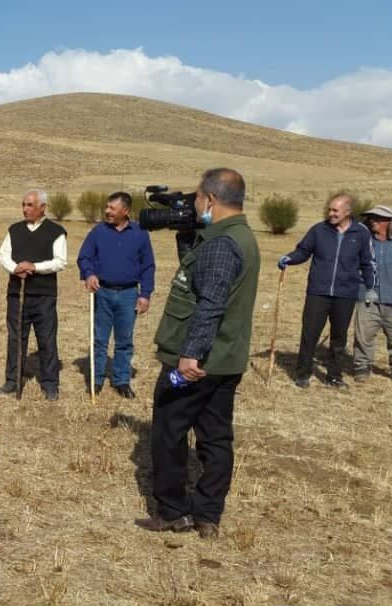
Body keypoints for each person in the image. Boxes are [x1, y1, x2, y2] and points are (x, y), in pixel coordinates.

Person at [136, 168, 259, 540]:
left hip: (194, 365)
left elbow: (210, 303)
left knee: (168, 428)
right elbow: (200, 277)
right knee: (215, 436)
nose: (193, 205)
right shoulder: (239, 237)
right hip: (225, 362)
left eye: (197, 198)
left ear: (212, 199)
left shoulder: (223, 244)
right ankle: (208, 515)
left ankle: (172, 512)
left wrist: (190, 355)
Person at [278, 193, 377, 388]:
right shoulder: (319, 230)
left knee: (339, 338)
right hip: (318, 291)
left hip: (345, 294)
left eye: (335, 210)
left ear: (347, 212)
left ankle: (334, 377)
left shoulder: (361, 233)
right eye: (329, 210)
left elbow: (368, 263)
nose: (330, 213)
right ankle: (302, 374)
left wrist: (370, 288)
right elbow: (303, 251)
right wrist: (289, 258)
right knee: (310, 334)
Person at [77, 191, 156, 398]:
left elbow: (148, 266)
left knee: (124, 341)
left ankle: (121, 381)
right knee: (99, 340)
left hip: (129, 294)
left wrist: (145, 294)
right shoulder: (98, 232)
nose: (107, 211)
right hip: (102, 292)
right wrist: (89, 274)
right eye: (107, 207)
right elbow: (84, 257)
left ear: (126, 211)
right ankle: (96, 380)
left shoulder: (140, 233)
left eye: (112, 208)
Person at [0, 189, 67, 400]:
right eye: (23, 204)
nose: (25, 209)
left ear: (42, 207)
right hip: (17, 293)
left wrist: (34, 267)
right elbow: (2, 255)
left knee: (47, 340)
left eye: (29, 205)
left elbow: (60, 261)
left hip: (43, 295)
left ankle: (50, 384)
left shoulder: (56, 231)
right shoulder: (15, 230)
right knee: (16, 338)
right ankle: (12, 380)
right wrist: (15, 268)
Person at [352, 204, 392, 381]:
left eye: (378, 218)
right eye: (371, 218)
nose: (373, 221)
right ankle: (361, 367)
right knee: (363, 336)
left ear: (389, 222)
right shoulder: (362, 243)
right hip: (367, 298)